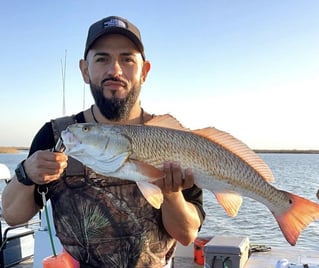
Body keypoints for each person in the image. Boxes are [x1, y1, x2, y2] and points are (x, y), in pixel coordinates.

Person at [1, 16, 205, 267]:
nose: (114, 70)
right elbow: (12, 216)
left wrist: (172, 195)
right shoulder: (57, 135)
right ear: (85, 70)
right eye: (102, 59)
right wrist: (26, 173)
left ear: (145, 71)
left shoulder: (174, 141)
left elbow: (186, 235)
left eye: (127, 59)